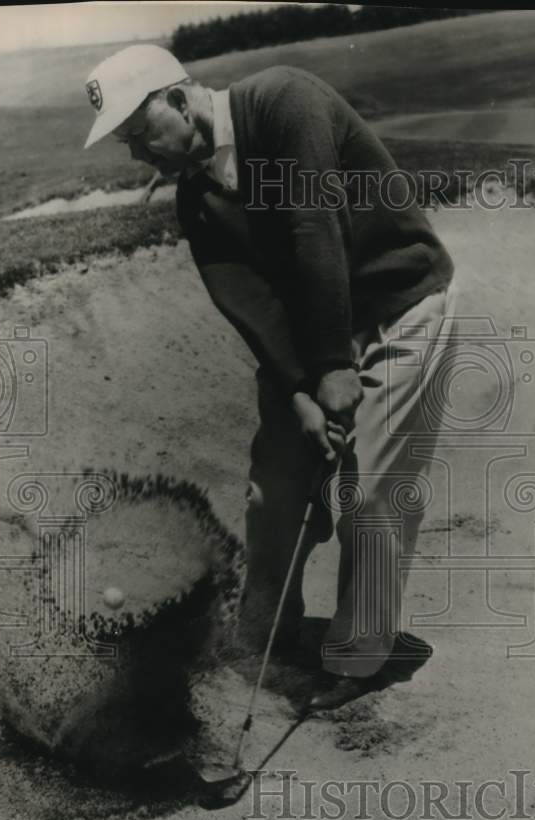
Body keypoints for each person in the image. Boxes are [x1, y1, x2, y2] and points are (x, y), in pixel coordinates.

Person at [84, 44, 457, 711]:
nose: (139, 155)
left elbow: (314, 230)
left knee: (370, 495)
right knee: (272, 492)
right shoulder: (196, 197)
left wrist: (334, 371)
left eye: (139, 134)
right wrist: (298, 388)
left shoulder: (285, 100)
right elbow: (248, 300)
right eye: (126, 145)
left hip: (401, 307)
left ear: (178, 96)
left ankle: (359, 657)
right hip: (321, 336)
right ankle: (264, 632)